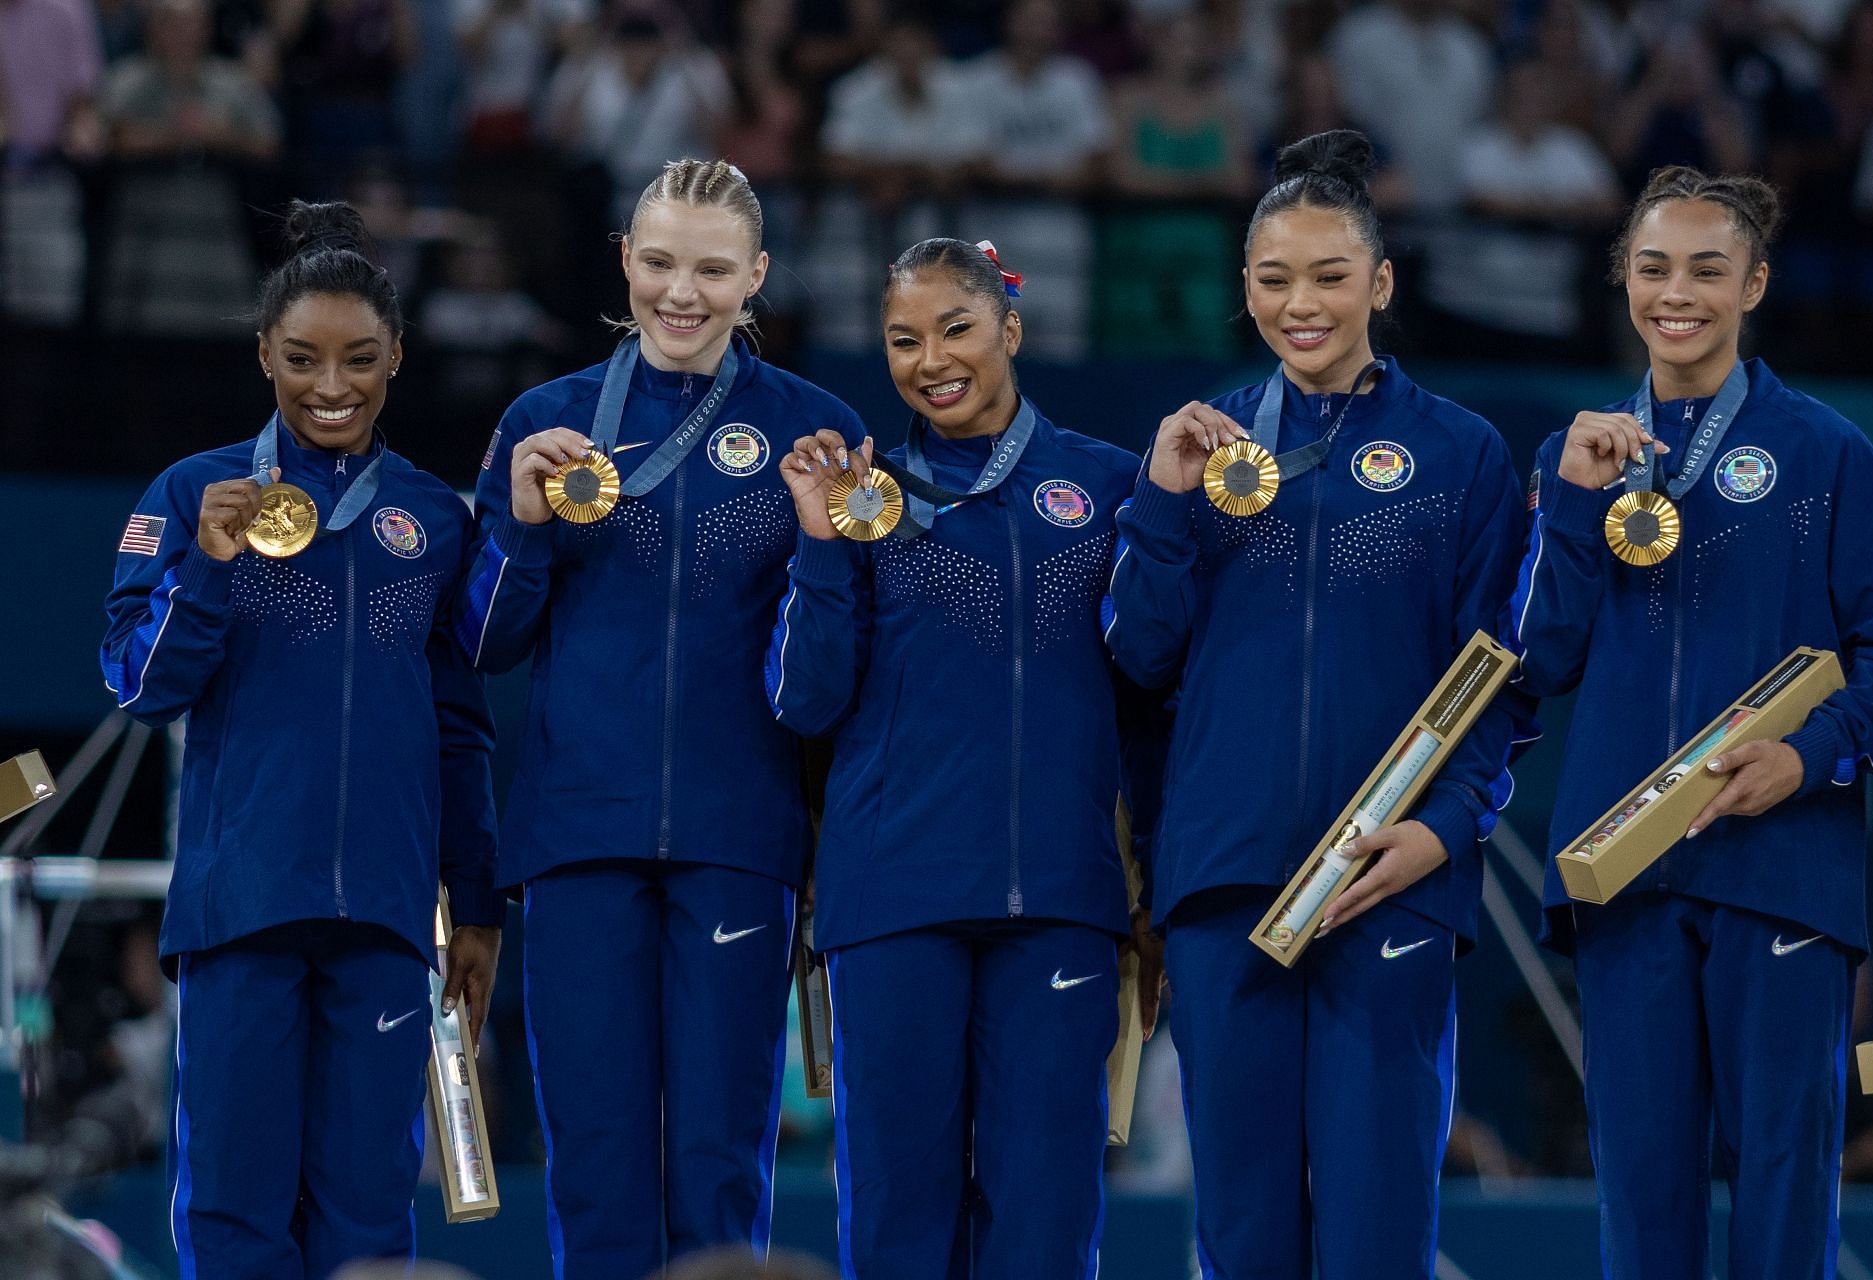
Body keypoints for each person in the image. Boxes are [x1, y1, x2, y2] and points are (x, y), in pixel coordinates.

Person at [1103, 129, 1526, 1279]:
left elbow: (1498, 682)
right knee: (1239, 1234)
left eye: (1332, 276)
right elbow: (1140, 657)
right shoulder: (1200, 446)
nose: (1304, 303)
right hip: (1227, 879)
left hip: (1392, 881)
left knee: (1378, 1230)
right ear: (1245, 288)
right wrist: (1156, 500)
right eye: (1276, 278)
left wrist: (1443, 830)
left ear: (1381, 282)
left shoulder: (1462, 453)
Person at [1509, 165, 1873, 1278]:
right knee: (1643, 1191)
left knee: (1787, 1179)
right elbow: (1542, 658)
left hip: (1782, 863)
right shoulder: (1575, 454)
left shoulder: (1830, 452)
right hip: (1623, 869)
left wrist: (1807, 754)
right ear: (1623, 280)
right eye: (1652, 267)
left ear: (1754, 283)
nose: (1675, 291)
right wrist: (1580, 510)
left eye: (1705, 267)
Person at [458, 158, 863, 1279]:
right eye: (661, 262)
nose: (683, 293)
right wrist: (526, 529)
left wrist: (824, 543)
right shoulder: (544, 420)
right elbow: (486, 643)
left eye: (713, 268)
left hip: (740, 838)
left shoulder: (814, 431)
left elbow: (823, 687)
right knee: (595, 1157)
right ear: (625, 262)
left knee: (718, 1159)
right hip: (580, 836)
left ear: (757, 277)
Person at [99, 200, 504, 1277]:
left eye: (361, 359)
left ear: (399, 357)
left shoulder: (435, 516)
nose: (333, 386)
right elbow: (142, 686)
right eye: (304, 359)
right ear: (263, 353)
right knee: (235, 1212)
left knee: (369, 1217)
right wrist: (212, 563)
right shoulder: (193, 494)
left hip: (382, 912)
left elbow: (458, 727)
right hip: (241, 909)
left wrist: (477, 898)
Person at [765, 237, 1164, 1279]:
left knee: (1044, 1220)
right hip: (894, 899)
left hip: (1061, 904)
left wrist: (1148, 883)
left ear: (1011, 329)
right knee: (896, 1216)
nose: (930, 358)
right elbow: (805, 699)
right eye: (903, 338)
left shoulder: (1108, 482)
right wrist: (816, 541)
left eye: (956, 328)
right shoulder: (861, 494)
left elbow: (1151, 684)